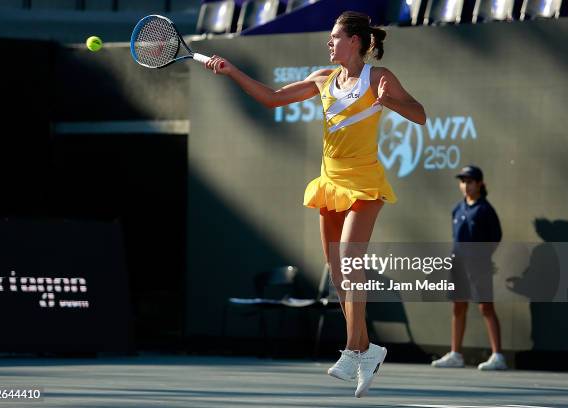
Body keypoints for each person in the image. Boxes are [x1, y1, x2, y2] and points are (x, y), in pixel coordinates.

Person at [205, 11, 426, 397]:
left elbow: (420, 115)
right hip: (331, 183)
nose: (329, 43)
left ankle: (355, 349)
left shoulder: (380, 78)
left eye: (335, 37)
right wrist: (231, 71)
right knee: (339, 273)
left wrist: (391, 103)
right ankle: (364, 349)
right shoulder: (322, 79)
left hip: (365, 182)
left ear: (355, 41)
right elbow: (272, 99)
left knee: (350, 259)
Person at [431, 165, 507, 370]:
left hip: (479, 267)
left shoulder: (485, 210)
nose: (465, 185)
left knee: (486, 307)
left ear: (480, 184)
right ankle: (456, 354)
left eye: (470, 181)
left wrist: (482, 258)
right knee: (458, 306)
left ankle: (498, 356)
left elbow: (495, 238)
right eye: (463, 181)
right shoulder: (457, 208)